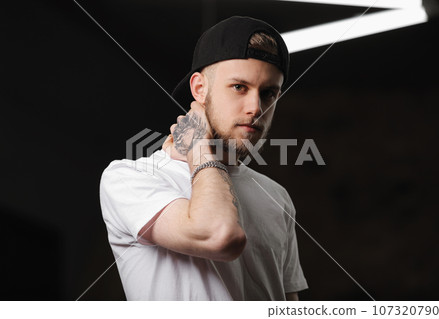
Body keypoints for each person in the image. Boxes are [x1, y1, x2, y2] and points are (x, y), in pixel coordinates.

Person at [100, 16, 308, 300]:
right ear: (199, 89)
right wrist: (198, 146)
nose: (255, 107)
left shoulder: (277, 197)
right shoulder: (129, 178)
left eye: (268, 93)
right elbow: (220, 236)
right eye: (239, 87)